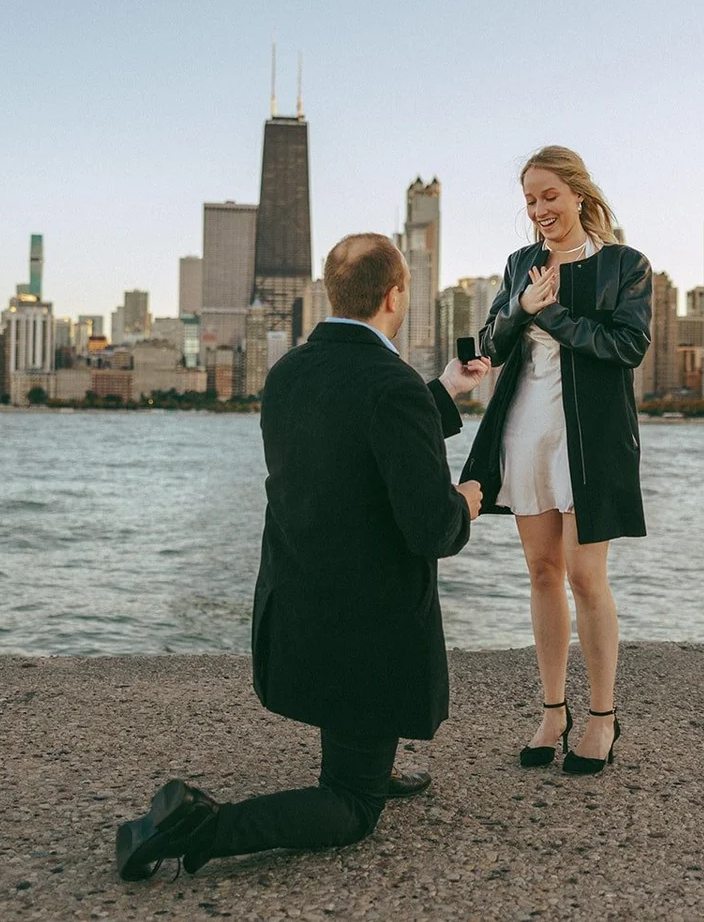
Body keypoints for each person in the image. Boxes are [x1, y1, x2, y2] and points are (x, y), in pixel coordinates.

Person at [116, 232, 492, 881]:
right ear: (395, 295)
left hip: (299, 608)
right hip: (365, 631)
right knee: (352, 809)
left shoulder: (288, 372)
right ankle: (200, 827)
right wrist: (464, 504)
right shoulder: (392, 385)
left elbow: (349, 443)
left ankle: (366, 761)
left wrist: (444, 391)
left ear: (331, 292)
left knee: (357, 753)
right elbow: (430, 528)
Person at [459, 146, 651, 776]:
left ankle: (602, 718)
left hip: (590, 438)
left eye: (550, 196)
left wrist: (554, 314)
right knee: (542, 572)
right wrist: (520, 307)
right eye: (530, 200)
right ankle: (552, 712)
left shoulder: (625, 264)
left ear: (578, 194)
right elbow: (492, 344)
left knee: (585, 576)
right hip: (525, 428)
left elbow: (627, 346)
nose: (540, 209)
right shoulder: (521, 264)